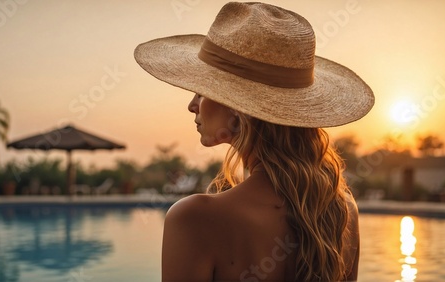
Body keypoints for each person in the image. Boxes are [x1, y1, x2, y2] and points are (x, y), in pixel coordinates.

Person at [134, 2, 374, 281]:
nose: (192, 105)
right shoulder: (341, 209)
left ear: (238, 109)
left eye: (201, 90)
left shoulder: (194, 220)